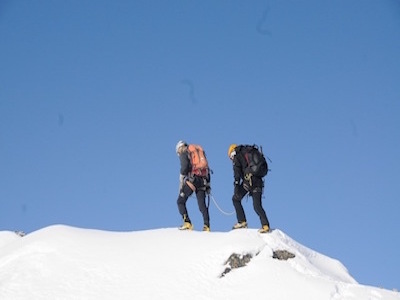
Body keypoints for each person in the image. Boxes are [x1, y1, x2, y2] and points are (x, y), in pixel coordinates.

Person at [228, 144, 270, 233]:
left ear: (231, 153)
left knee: (235, 199)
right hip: (258, 181)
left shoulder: (237, 156)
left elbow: (237, 172)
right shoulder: (248, 152)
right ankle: (265, 225)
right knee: (257, 206)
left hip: (249, 181)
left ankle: (242, 221)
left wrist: (236, 185)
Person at [176, 140, 211, 231]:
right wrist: (208, 184)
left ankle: (187, 223)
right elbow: (207, 168)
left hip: (192, 180)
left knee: (180, 201)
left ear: (180, 148)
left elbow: (185, 166)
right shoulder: (198, 153)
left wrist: (182, 176)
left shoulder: (185, 152)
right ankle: (206, 225)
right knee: (202, 205)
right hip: (203, 181)